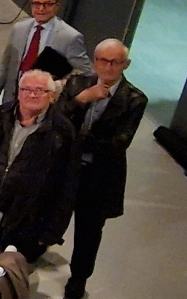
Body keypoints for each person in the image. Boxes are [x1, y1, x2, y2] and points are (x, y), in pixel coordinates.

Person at [0, 70, 80, 272]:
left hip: (26, 223)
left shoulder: (63, 131)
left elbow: (68, 185)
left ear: (52, 96)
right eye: (27, 89)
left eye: (41, 90)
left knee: (10, 278)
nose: (32, 95)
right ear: (18, 92)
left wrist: (52, 231)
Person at [51, 39, 148, 299]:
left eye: (115, 62)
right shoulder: (78, 84)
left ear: (125, 64)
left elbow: (118, 144)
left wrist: (75, 139)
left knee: (89, 232)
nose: (108, 66)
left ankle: (78, 279)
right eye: (103, 60)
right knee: (46, 212)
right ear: (95, 61)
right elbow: (56, 118)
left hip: (99, 177)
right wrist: (82, 99)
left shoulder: (134, 99)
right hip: (65, 169)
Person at [0, 0, 92, 106]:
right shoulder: (19, 29)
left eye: (47, 4)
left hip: (44, 104)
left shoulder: (70, 37)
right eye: (37, 4)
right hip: (12, 100)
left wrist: (61, 84)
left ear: (56, 6)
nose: (41, 9)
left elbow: (86, 72)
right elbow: (5, 65)